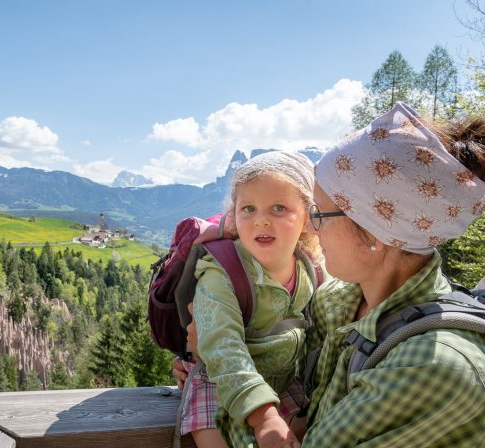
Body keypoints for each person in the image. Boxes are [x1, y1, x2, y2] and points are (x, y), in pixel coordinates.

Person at [178, 102, 485, 447]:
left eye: (320, 213)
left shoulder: (433, 368)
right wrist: (215, 361)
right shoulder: (337, 302)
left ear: (374, 232)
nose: (311, 226)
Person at [180, 151, 323, 448]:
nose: (261, 221)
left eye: (279, 208)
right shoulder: (221, 273)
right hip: (218, 383)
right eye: (249, 209)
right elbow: (222, 346)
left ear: (308, 219)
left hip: (282, 384)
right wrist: (264, 417)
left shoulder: (311, 272)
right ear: (234, 215)